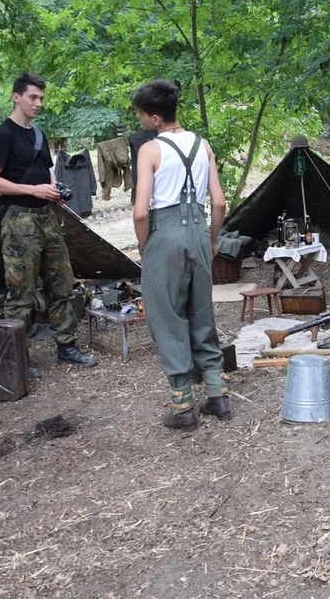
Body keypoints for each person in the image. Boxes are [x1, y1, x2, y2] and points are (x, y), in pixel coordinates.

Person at [0, 72, 97, 377]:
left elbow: (46, 172)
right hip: (19, 219)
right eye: (33, 97)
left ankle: (66, 345)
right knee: (22, 292)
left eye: (42, 98)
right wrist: (33, 190)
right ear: (16, 97)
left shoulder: (38, 134)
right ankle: (18, 356)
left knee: (62, 283)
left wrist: (56, 190)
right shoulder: (2, 135)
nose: (38, 103)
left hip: (47, 217)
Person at [132, 79, 229, 432]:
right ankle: (217, 396)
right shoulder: (203, 145)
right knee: (201, 312)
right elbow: (218, 203)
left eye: (141, 114)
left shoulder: (150, 150)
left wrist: (146, 247)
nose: (140, 120)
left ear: (155, 118)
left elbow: (141, 212)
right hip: (199, 232)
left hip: (165, 234)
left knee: (167, 316)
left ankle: (183, 406)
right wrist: (212, 240)